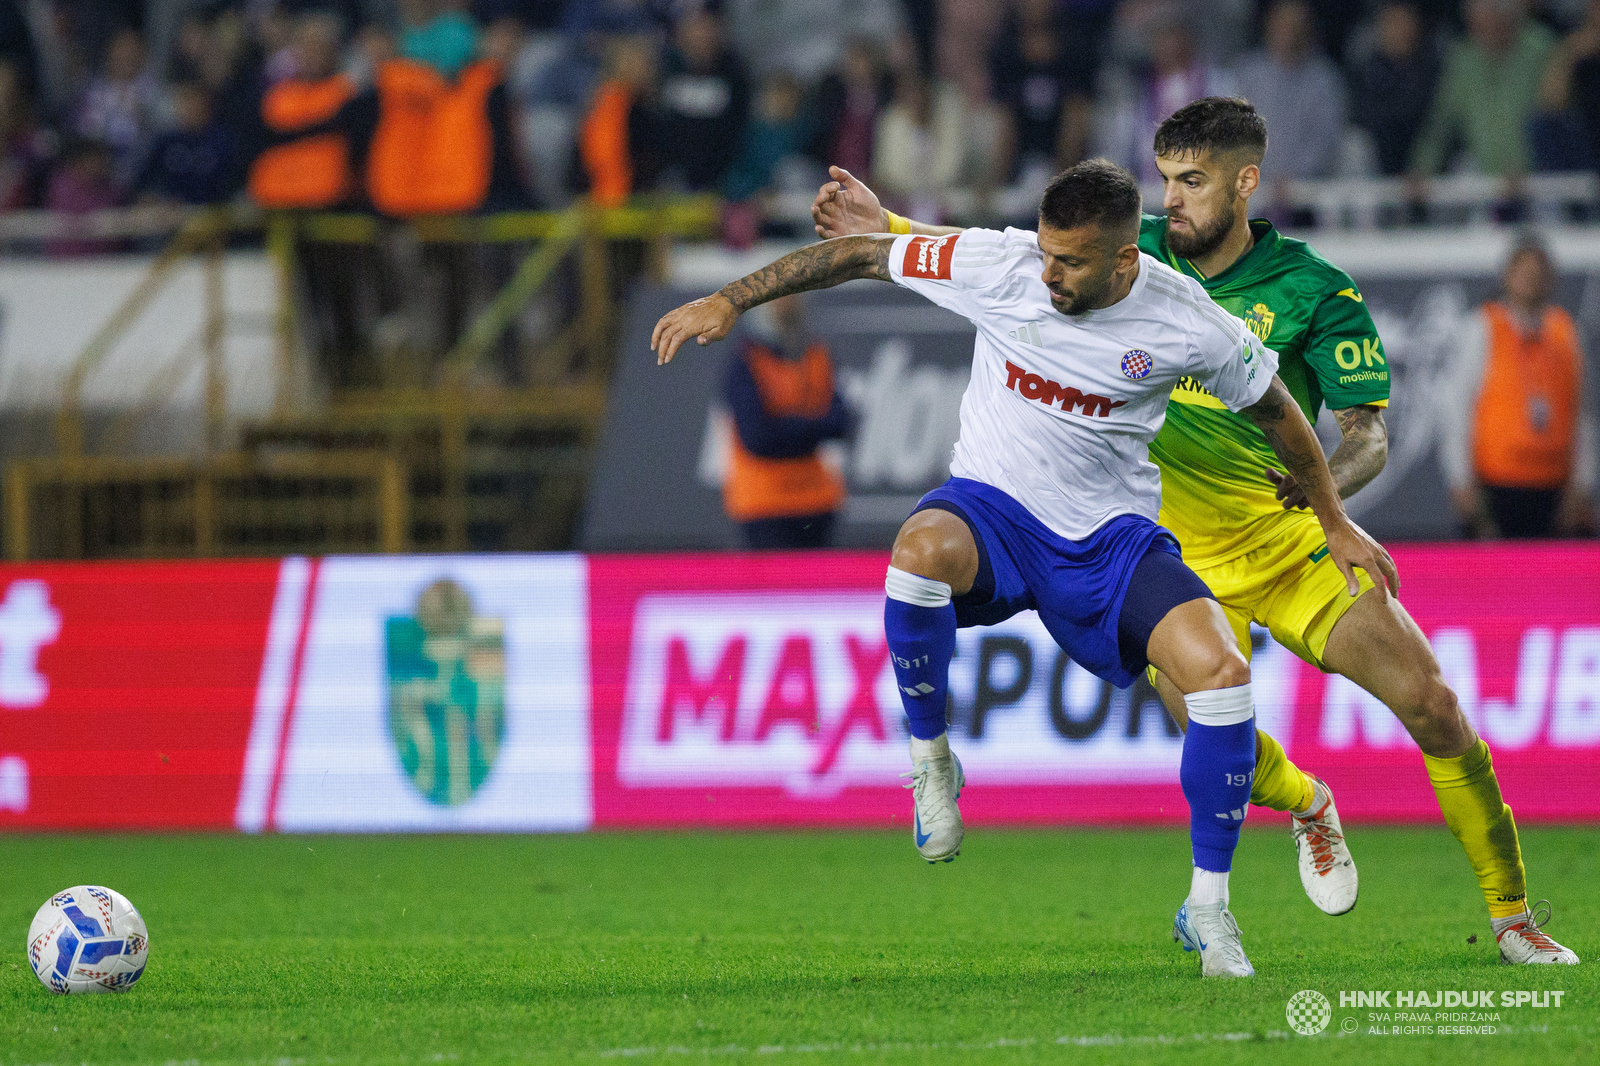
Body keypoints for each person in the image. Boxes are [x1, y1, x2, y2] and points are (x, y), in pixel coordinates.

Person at [812, 98, 1580, 966]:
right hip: (1170, 555)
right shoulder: (1117, 261)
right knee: (1227, 736)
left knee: (1434, 705)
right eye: (1165, 179)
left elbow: (1365, 432)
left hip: (1288, 545)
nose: (1170, 199)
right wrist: (892, 227)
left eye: (1192, 181)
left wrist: (1328, 498)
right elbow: (1006, 257)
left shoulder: (1313, 290)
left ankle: (1513, 919)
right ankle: (1308, 805)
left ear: (1245, 183)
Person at [660, 158, 1397, 978]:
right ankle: (931, 759)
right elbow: (861, 254)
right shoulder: (1006, 266)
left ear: (1125, 261)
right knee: (915, 558)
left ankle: (1208, 908)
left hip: (1109, 542)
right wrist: (731, 298)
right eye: (1045, 253)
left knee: (1222, 677)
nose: (1048, 274)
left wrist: (1333, 520)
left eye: (1070, 262)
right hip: (996, 512)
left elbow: (1282, 415)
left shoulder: (1187, 321)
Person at [1445, 236, 1596, 539]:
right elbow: (1456, 409)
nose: (1531, 281)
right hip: (1497, 485)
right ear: (1508, 276)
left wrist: (1583, 484)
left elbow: (1583, 414)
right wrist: (1461, 480)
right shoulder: (1484, 327)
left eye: (1539, 273)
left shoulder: (1566, 332)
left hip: (1553, 487)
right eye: (1524, 272)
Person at [721, 293, 854, 549]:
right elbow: (758, 438)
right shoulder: (747, 359)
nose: (786, 304)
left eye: (792, 296)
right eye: (778, 298)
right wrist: (812, 428)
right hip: (764, 504)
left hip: (816, 501)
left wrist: (788, 427)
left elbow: (841, 421)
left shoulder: (817, 352)